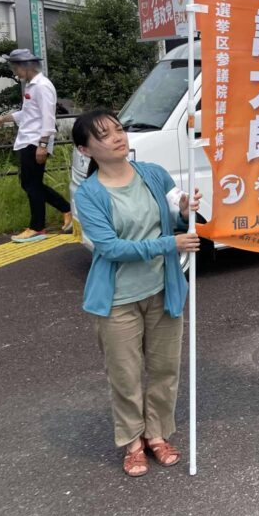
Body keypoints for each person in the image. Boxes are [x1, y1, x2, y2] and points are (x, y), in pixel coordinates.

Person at [72, 109, 201, 478]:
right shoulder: (90, 194)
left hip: (164, 289)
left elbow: (174, 215)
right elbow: (110, 248)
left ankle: (157, 435)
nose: (117, 137)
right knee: (125, 376)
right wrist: (170, 242)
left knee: (164, 369)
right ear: (86, 150)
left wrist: (184, 209)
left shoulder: (153, 173)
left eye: (118, 129)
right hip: (117, 300)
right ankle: (132, 442)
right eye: (104, 135)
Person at [0, 48, 72, 242]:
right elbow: (27, 114)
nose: (14, 72)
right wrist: (2, 120)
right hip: (28, 140)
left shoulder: (42, 86)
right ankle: (67, 210)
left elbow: (48, 118)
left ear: (26, 66)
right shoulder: (31, 86)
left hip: (35, 142)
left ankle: (38, 227)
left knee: (31, 184)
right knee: (30, 184)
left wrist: (43, 145)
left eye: (15, 67)